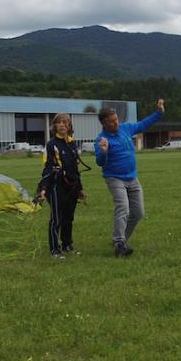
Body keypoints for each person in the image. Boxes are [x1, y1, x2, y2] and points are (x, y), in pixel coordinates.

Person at [95, 98, 165, 257]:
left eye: (116, 120)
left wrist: (158, 113)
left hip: (132, 178)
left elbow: (143, 124)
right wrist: (104, 151)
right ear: (104, 124)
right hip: (115, 179)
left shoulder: (126, 129)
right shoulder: (102, 140)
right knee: (123, 208)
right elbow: (100, 162)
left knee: (138, 212)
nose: (116, 123)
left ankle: (121, 240)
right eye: (111, 122)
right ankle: (119, 243)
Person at [35, 113, 86, 259]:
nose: (62, 125)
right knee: (57, 217)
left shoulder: (72, 143)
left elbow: (75, 168)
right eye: (59, 123)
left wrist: (80, 188)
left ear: (69, 126)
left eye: (65, 122)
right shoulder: (51, 145)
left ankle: (67, 244)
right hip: (56, 185)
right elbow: (47, 167)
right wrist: (43, 189)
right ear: (55, 126)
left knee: (69, 217)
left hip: (72, 185)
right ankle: (54, 249)